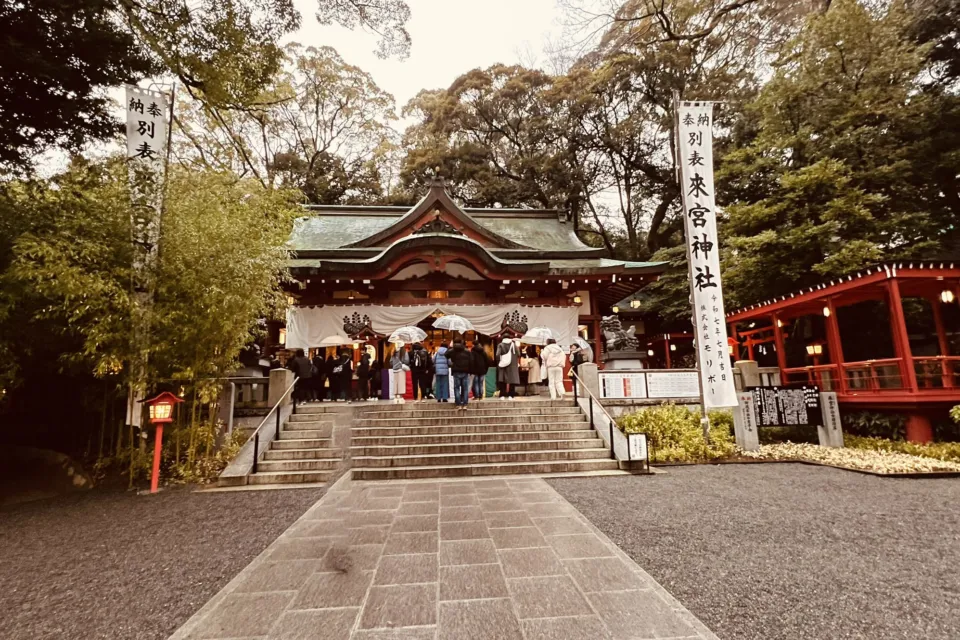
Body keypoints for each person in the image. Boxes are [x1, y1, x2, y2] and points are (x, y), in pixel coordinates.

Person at [449, 339, 472, 411]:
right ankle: (465, 404)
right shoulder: (467, 351)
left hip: (456, 371)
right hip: (465, 371)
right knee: (465, 388)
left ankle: (458, 404)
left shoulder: (453, 351)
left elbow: (446, 355)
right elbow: (471, 360)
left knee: (456, 388)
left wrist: (450, 347)